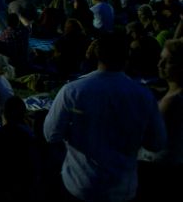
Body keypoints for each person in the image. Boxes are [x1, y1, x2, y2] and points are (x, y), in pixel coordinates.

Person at [44, 32, 167, 202]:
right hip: (123, 188)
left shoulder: (73, 91)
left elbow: (51, 134)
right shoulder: (143, 95)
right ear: (127, 57)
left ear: (97, 54)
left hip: (81, 183)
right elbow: (156, 143)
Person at [137, 38, 183, 200]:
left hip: (157, 168)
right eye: (160, 59)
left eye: (167, 61)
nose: (160, 65)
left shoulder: (171, 101)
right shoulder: (172, 93)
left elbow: (147, 139)